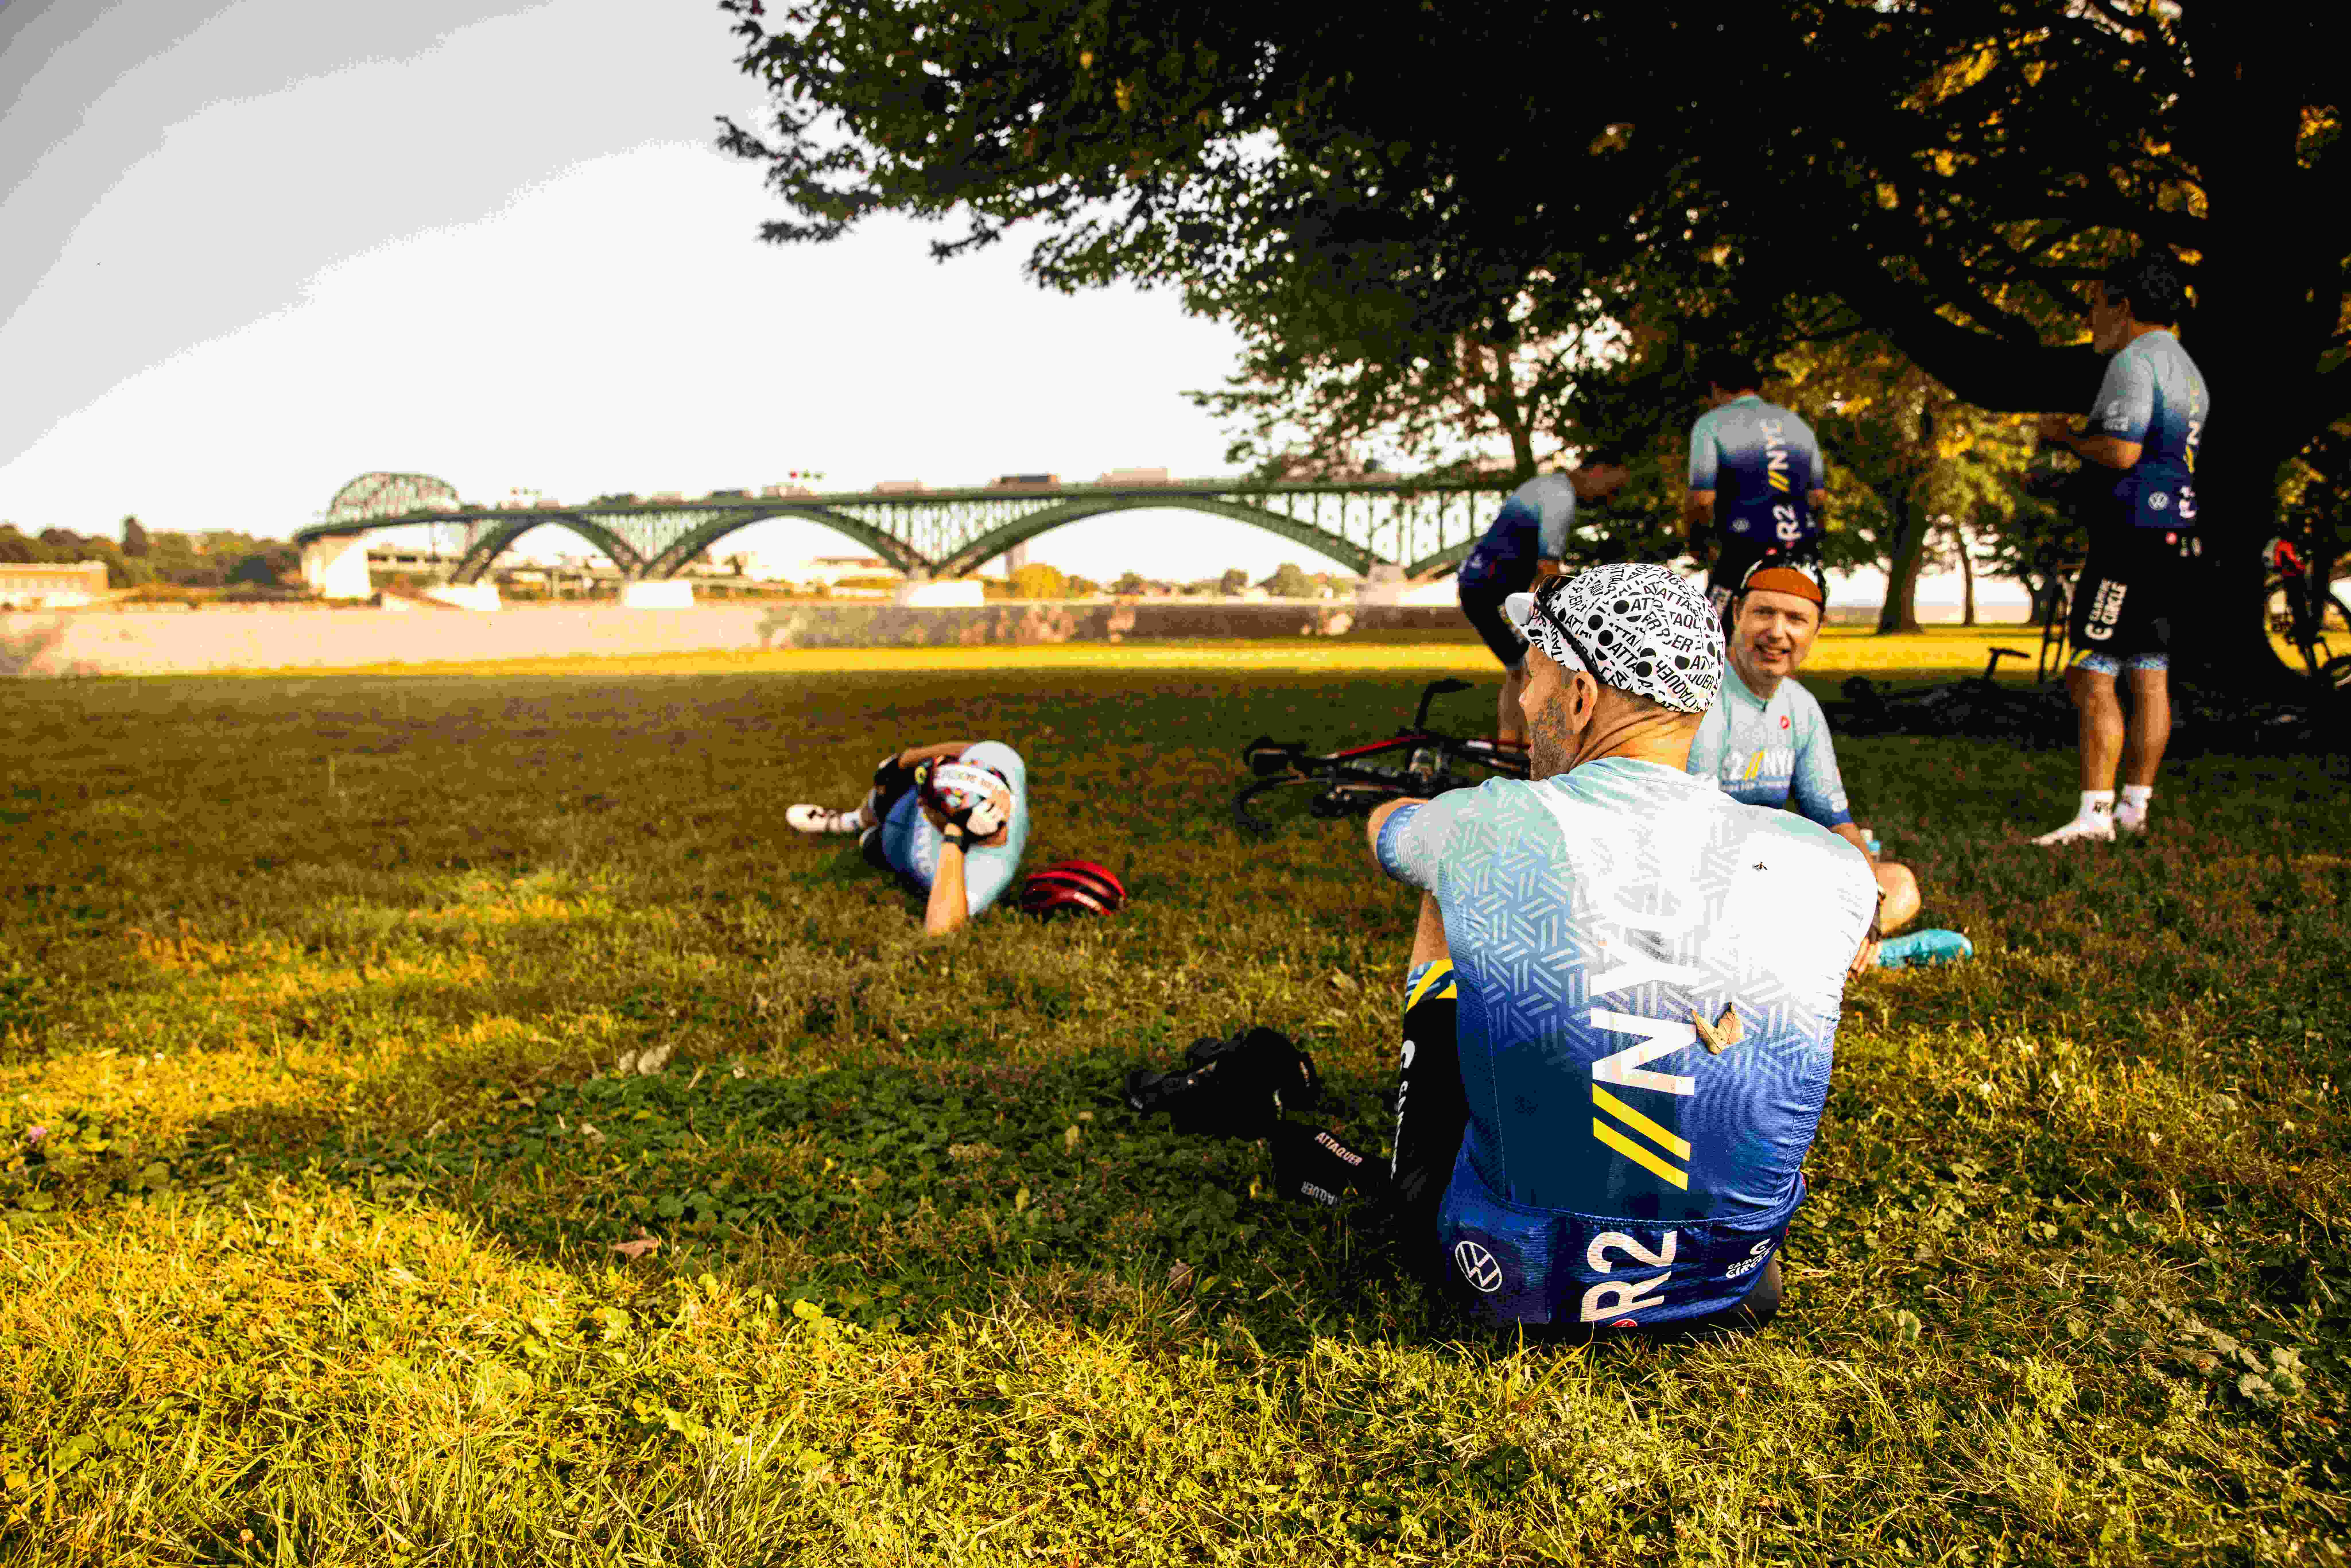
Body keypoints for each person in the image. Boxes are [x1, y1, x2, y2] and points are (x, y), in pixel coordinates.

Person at [1130, 564, 1883, 1336]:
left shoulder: (1484, 823)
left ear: (1583, 696)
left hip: (1511, 1278)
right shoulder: (1832, 867)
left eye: (1533, 678)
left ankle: (1415, 1174)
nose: (1524, 706)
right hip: (1731, 1286)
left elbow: (1388, 830)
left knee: (1447, 884)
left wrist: (1423, 813)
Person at [1685, 563, 1974, 968]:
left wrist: (1868, 895)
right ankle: (1870, 959)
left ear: (1816, 631)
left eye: (1796, 619)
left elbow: (1834, 819)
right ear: (1737, 615)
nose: (1777, 632)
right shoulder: (1702, 694)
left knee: (1898, 885)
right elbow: (1696, 830)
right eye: (1764, 613)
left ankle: (1820, 955)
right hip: (1706, 875)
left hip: (1767, 868)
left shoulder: (1801, 705)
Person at [2031, 256, 2208, 845]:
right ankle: (2135, 807)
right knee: (2150, 672)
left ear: (2123, 305)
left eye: (2096, 304)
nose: (2092, 318)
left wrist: (2064, 436)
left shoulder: (2133, 362)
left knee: (2090, 670)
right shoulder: (2188, 370)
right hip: (2173, 537)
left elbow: (2121, 451)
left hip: (2128, 540)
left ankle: (2093, 816)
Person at [1455, 453, 1632, 749]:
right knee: (1527, 667)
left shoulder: (1547, 486)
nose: (1610, 498)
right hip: (1491, 592)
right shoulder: (1561, 498)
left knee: (1519, 668)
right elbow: (1548, 568)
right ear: (1598, 470)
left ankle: (1511, 744)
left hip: (1481, 587)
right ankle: (1521, 748)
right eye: (1612, 488)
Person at [786, 742, 1028, 935]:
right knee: (891, 781)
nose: (922, 802)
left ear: (961, 824)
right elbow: (972, 749)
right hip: (905, 814)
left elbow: (940, 930)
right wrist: (905, 760)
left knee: (871, 847)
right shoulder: (1002, 762)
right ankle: (852, 821)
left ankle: (869, 834)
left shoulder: (990, 871)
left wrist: (955, 838)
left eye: (930, 805)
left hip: (897, 850)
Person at [1684, 352, 1830, 620]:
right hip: (1799, 549)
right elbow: (1818, 497)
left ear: (1715, 386)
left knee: (1713, 631)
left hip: (1742, 548)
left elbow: (1702, 499)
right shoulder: (1798, 425)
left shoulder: (1711, 424)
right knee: (1783, 631)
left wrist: (1697, 542)